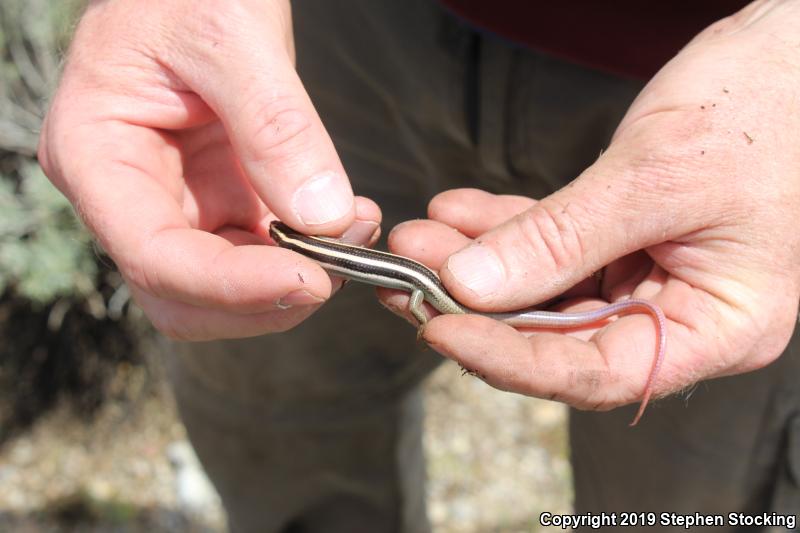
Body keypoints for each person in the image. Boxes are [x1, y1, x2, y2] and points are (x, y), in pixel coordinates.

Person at [39, 0, 800, 531]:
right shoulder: (303, 239)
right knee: (278, 411)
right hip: (360, 29)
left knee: (680, 501)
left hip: (743, 84)